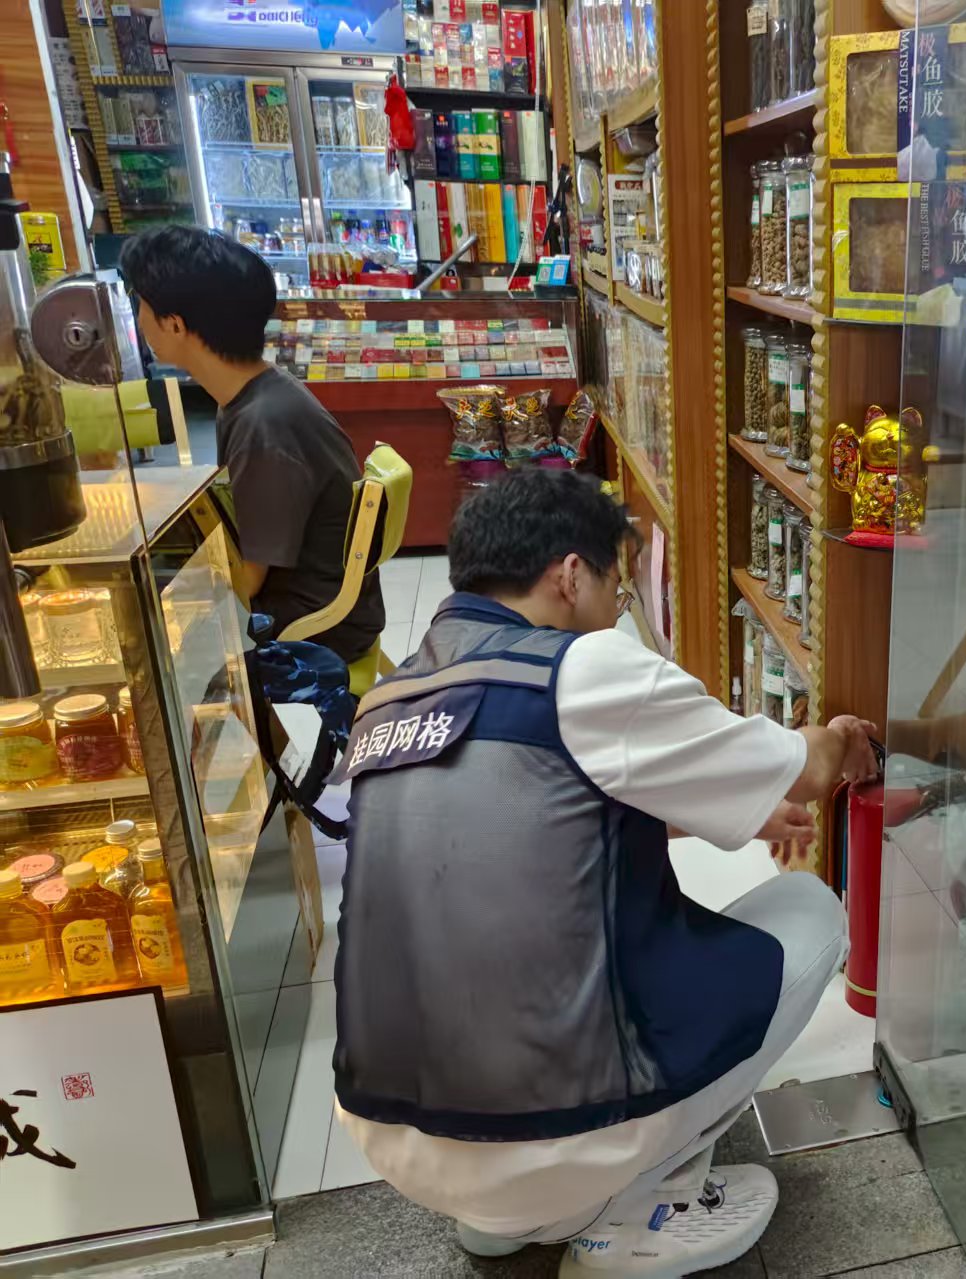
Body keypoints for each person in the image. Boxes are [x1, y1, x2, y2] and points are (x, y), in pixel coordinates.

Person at [331, 469, 876, 1275]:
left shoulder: (389, 700)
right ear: (570, 574)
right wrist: (839, 738)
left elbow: (533, 806)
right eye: (617, 588)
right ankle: (624, 1210)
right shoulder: (586, 668)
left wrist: (729, 806)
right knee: (810, 910)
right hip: (557, 1132)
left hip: (394, 1135)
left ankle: (503, 1218)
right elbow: (806, 767)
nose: (619, 610)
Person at [120, 226, 384, 664]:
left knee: (144, 647)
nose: (139, 317)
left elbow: (249, 580)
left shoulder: (264, 425)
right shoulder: (258, 392)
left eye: (140, 302)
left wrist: (170, 616)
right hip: (316, 599)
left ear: (174, 324)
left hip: (314, 624)